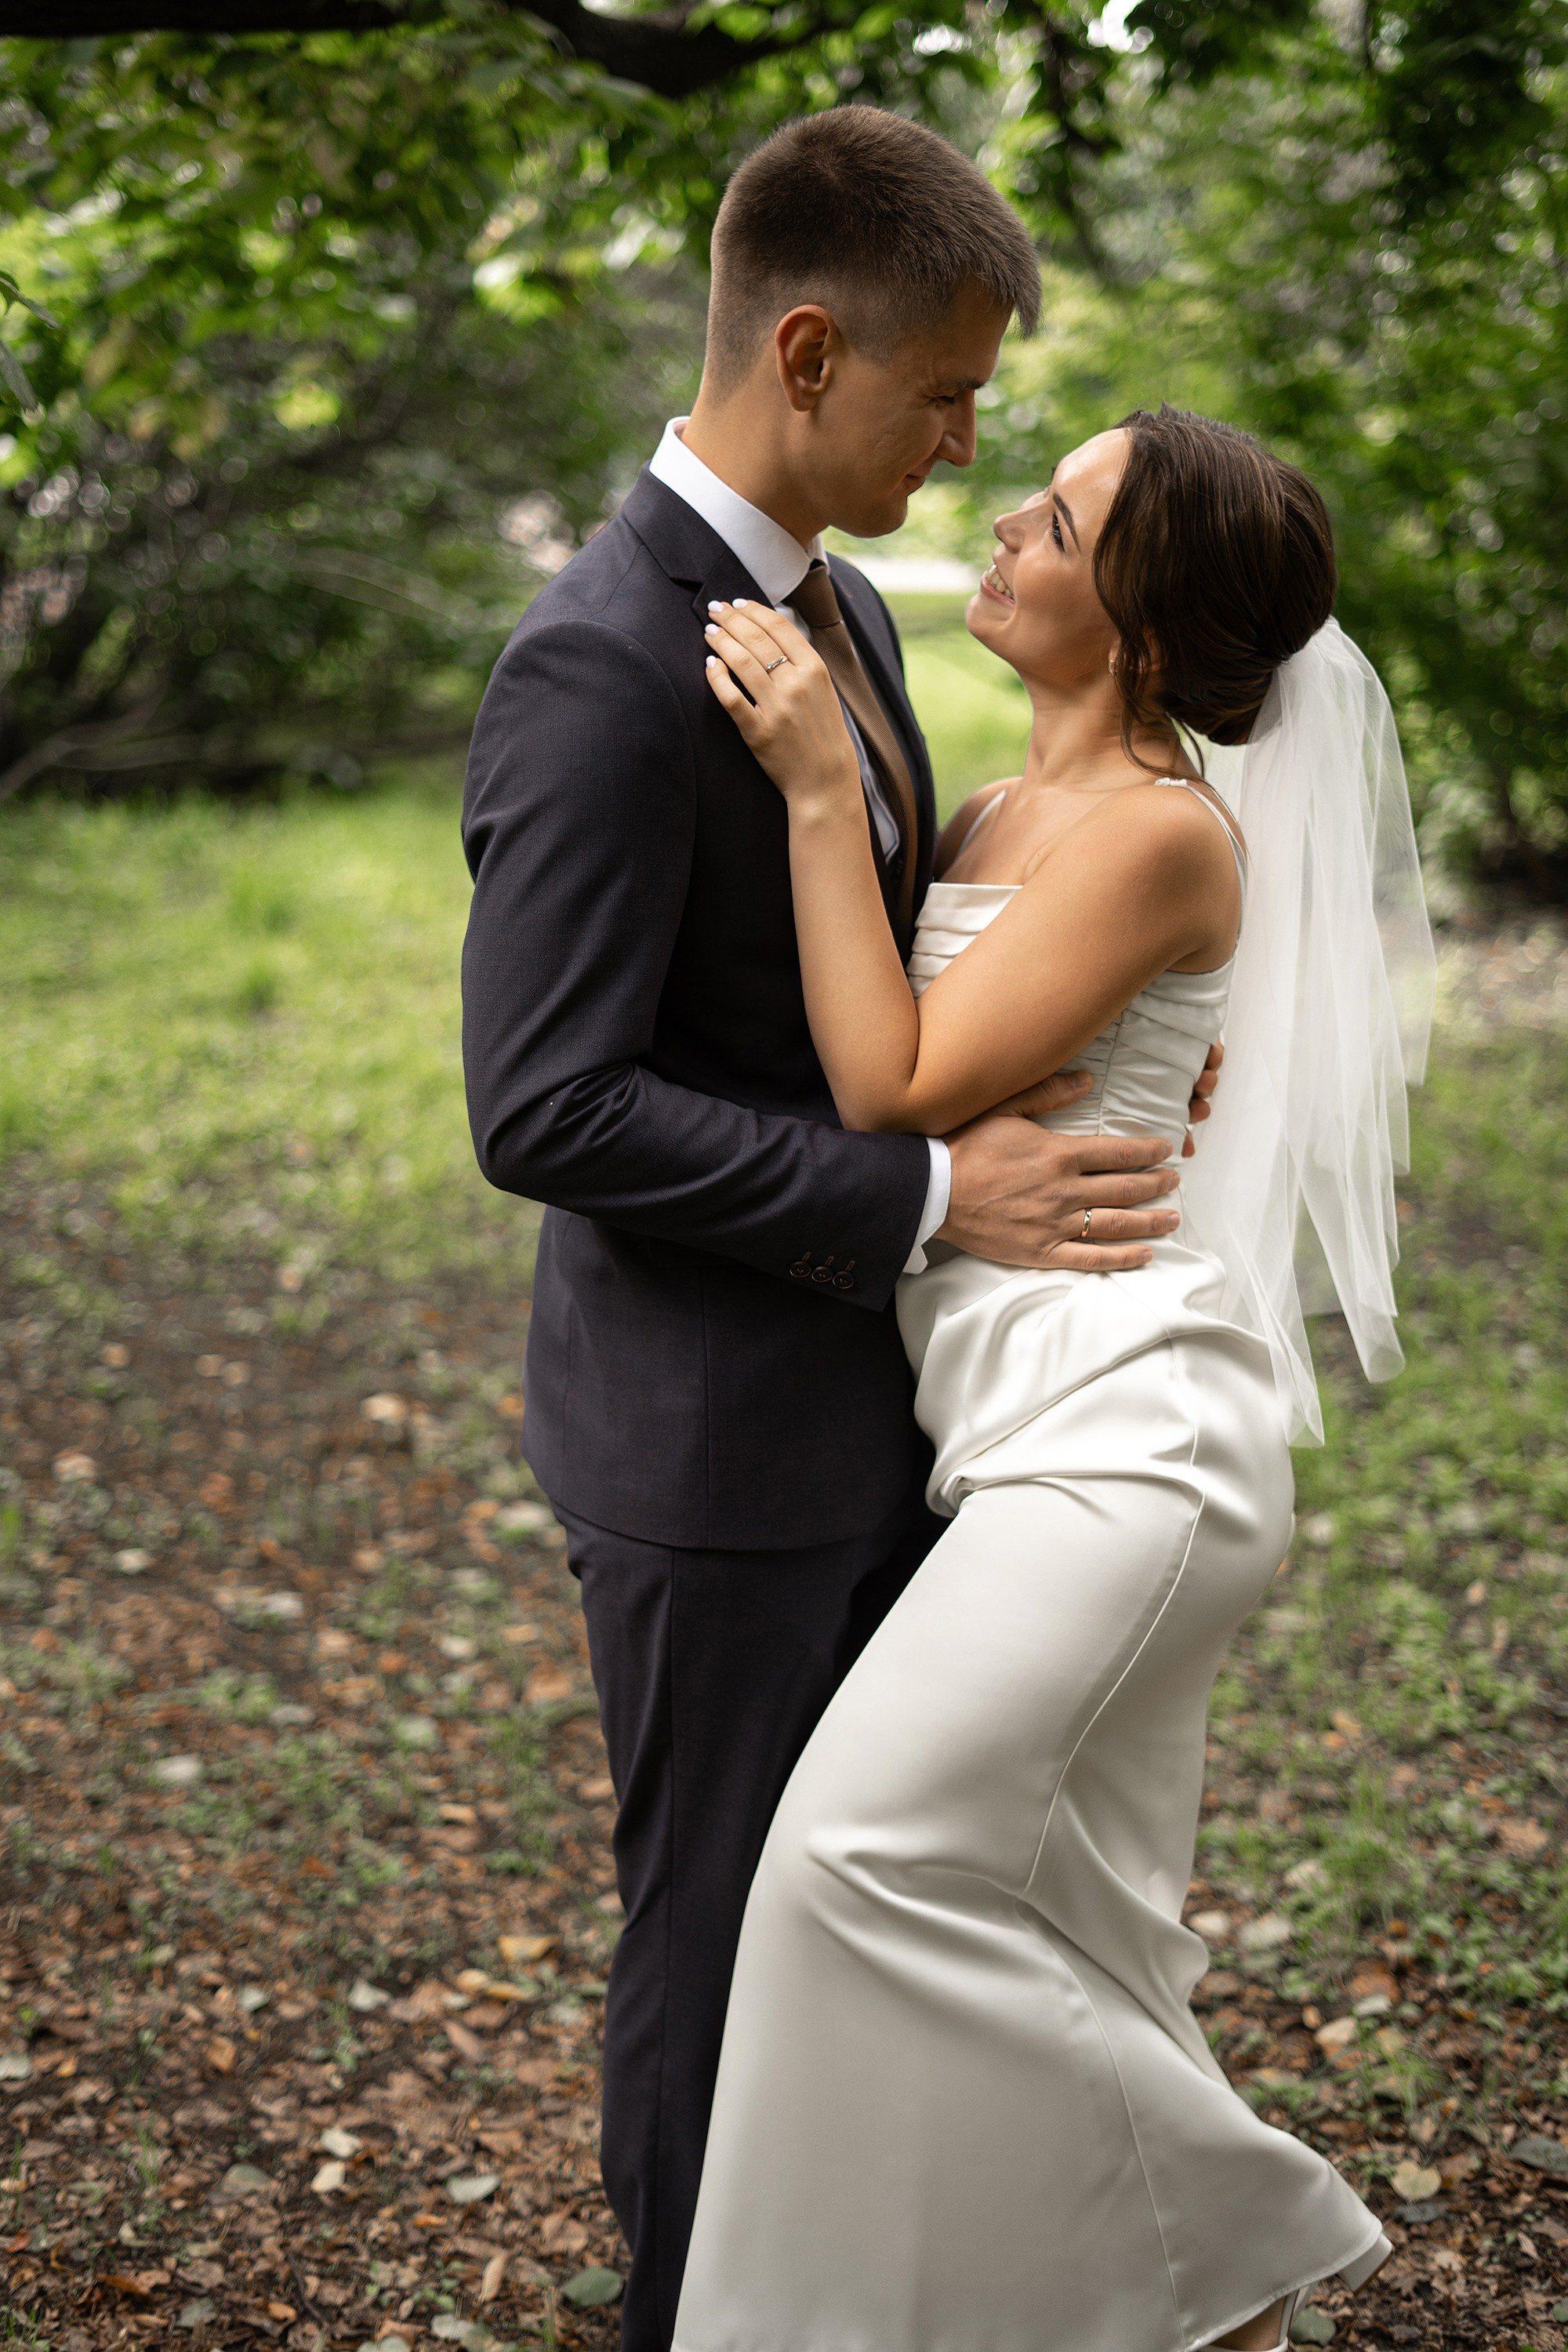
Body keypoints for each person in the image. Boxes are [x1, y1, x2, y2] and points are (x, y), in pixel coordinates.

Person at [461, 110, 1222, 2352]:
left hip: (888, 1412)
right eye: (947, 394)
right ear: (811, 349)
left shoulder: (844, 614)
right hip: (709, 1453)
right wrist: (918, 1192)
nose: (970, 437)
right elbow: (550, 1103)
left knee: (870, 1948)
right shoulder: (600, 662)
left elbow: (884, 981)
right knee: (722, 1951)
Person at [678, 406, 1435, 2351]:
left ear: (1149, 630)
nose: (1005, 519)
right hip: (1023, 1431)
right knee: (1078, 1929)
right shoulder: (1008, 814)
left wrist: (809, 794)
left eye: (1065, 518)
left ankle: (1238, 2227)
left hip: (1130, 1442)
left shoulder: (1164, 830)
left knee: (853, 1861)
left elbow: (893, 1087)